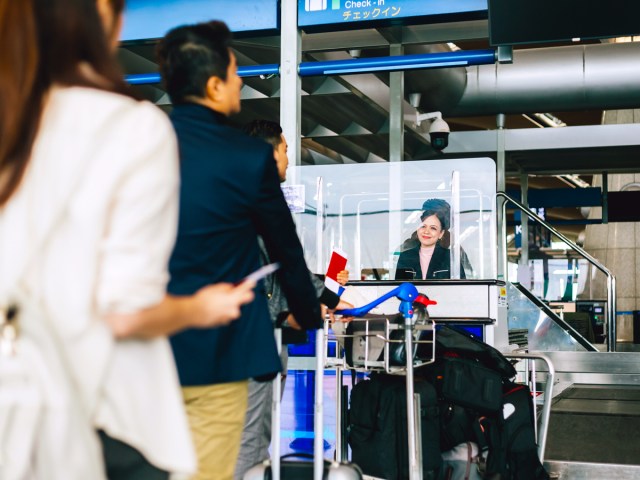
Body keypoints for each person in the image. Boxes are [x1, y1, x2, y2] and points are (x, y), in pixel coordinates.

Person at [0, 1, 256, 479]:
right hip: (93, 419)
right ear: (102, 18)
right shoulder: (128, 127)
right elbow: (122, 313)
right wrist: (199, 308)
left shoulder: (14, 116)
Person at [156, 22, 323, 480]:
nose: (240, 83)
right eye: (233, 73)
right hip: (224, 350)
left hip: (149, 346)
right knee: (218, 468)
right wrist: (308, 314)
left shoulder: (138, 143)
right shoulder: (246, 157)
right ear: (213, 85)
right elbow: (286, 251)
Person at [234, 120, 352, 479]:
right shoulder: (254, 203)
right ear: (269, 153)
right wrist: (286, 317)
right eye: (285, 150)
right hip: (252, 340)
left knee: (254, 434)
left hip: (261, 337)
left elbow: (282, 266)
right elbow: (264, 272)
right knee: (249, 439)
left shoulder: (247, 198)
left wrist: (328, 296)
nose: (288, 158)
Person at [395, 198, 467, 280]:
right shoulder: (405, 257)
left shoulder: (450, 258)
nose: (426, 231)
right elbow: (399, 288)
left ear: (441, 233)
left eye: (433, 228)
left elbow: (462, 288)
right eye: (423, 226)